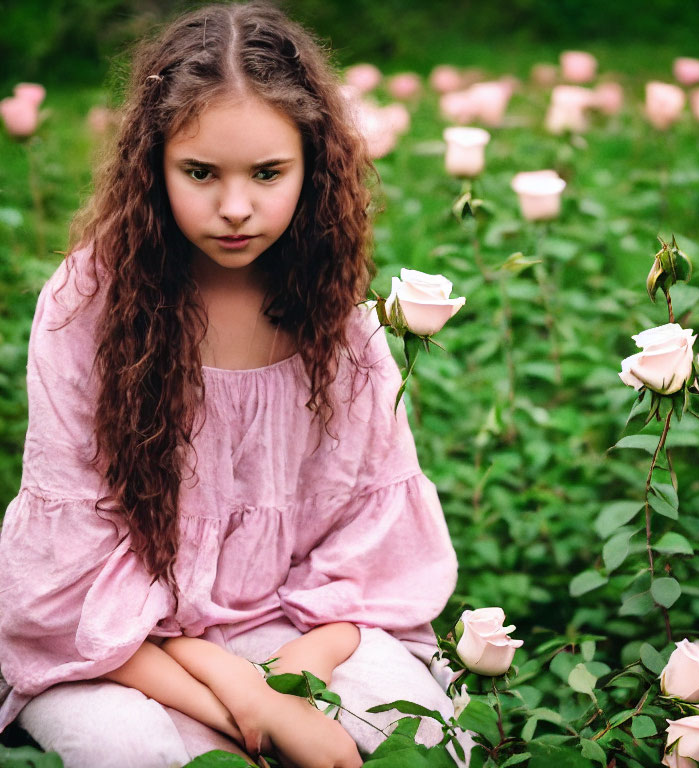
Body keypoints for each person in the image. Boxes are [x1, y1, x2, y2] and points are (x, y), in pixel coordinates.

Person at [0, 3, 461, 767]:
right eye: (201, 173)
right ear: (155, 166)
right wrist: (240, 697)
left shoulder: (337, 321)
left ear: (313, 167)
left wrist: (291, 685)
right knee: (140, 754)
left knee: (417, 737)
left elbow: (369, 552)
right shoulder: (89, 304)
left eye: (269, 173)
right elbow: (61, 583)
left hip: (294, 628)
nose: (237, 207)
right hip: (113, 643)